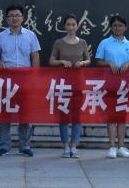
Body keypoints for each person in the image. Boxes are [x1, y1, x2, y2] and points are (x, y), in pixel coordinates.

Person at [0, 4, 41, 157]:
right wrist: (0, 62)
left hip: (25, 79)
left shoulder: (30, 35)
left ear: (22, 18)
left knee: (25, 113)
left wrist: (35, 76)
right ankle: (4, 145)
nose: (14, 18)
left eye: (17, 15)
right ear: (7, 19)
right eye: (11, 15)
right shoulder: (1, 36)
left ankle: (24, 145)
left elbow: (35, 56)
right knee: (5, 113)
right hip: (7, 79)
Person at [93, 14, 129, 159]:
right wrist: (108, 63)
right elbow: (98, 61)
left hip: (125, 84)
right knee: (111, 115)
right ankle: (112, 146)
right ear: (111, 27)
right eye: (115, 25)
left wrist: (128, 64)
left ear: (125, 28)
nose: (117, 28)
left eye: (120, 25)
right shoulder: (105, 43)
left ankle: (121, 146)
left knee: (122, 116)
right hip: (109, 83)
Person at [48, 13, 90, 158]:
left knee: (77, 115)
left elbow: (88, 60)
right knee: (63, 114)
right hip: (63, 83)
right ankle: (66, 145)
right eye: (68, 24)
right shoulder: (59, 43)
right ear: (64, 26)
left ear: (77, 26)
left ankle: (74, 146)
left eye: (73, 24)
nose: (71, 27)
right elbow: (51, 60)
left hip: (78, 82)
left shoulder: (82, 42)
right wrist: (61, 62)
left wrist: (82, 63)